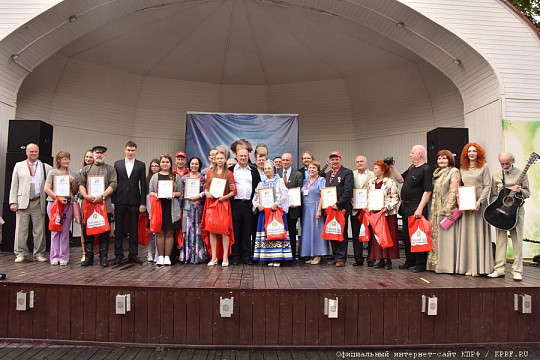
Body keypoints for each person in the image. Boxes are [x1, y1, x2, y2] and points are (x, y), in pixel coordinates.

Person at [390, 145, 432, 273]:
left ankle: (420, 264)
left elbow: (427, 191)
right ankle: (410, 261)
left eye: (412, 153)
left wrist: (419, 209)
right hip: (406, 206)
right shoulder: (412, 168)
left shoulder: (426, 169)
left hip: (416, 206)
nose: (410, 155)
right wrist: (392, 167)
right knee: (407, 236)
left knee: (418, 236)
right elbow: (400, 179)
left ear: (419, 154)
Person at [488, 152, 530, 281]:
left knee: (517, 241)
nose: (505, 166)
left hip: (516, 212)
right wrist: (497, 209)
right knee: (500, 241)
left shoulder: (521, 174)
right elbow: (493, 194)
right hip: (501, 212)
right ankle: (499, 269)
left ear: (513, 161)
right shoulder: (496, 175)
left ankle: (517, 271)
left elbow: (528, 193)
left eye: (507, 163)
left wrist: (520, 191)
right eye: (502, 163)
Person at [9, 143, 52, 263]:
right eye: (31, 151)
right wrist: (13, 202)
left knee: (39, 230)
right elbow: (14, 185)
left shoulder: (45, 167)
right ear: (26, 152)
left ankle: (38, 253)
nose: (33, 153)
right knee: (21, 230)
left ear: (38, 152)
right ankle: (20, 253)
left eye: (36, 151)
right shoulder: (19, 166)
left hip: (38, 201)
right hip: (23, 202)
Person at [456, 143, 492, 276]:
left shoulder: (484, 167)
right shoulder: (462, 169)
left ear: (479, 153)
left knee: (478, 233)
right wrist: (459, 198)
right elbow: (460, 186)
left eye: (474, 151)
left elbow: (487, 186)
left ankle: (480, 267)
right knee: (468, 235)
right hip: (466, 207)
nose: (471, 153)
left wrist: (479, 202)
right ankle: (468, 266)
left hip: (479, 206)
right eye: (469, 151)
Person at [78, 146, 118, 267]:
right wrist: (85, 195)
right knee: (87, 232)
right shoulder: (86, 169)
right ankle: (88, 257)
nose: (99, 155)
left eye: (102, 153)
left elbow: (113, 184)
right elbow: (81, 184)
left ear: (104, 155)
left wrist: (103, 195)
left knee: (104, 233)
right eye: (97, 153)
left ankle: (103, 257)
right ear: (93, 154)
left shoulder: (110, 169)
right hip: (89, 205)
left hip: (104, 204)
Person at [112, 141, 147, 265]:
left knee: (133, 229)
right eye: (128, 150)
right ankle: (118, 255)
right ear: (124, 150)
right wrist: (112, 201)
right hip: (119, 200)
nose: (130, 152)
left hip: (134, 201)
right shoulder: (117, 164)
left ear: (136, 150)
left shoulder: (141, 165)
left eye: (132, 150)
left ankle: (133, 254)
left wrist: (143, 203)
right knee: (119, 229)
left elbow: (143, 185)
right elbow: (114, 184)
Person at [252, 160, 293, 266]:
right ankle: (268, 257)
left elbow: (284, 195)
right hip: (265, 213)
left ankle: (277, 258)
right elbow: (255, 198)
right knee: (266, 233)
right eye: (265, 169)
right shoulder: (261, 183)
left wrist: (276, 204)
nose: (267, 170)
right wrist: (258, 205)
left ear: (274, 169)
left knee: (276, 232)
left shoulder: (279, 181)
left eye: (269, 168)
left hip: (276, 212)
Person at [427, 150, 461, 273]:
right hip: (435, 210)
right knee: (436, 238)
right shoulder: (436, 173)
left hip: (446, 211)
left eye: (444, 158)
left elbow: (453, 191)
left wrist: (447, 209)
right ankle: (435, 265)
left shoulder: (454, 172)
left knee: (446, 239)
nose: (441, 161)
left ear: (450, 160)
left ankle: (446, 266)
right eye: (439, 158)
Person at [44, 151, 78, 265]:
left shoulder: (72, 174)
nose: (66, 161)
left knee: (64, 231)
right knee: (55, 230)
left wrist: (73, 183)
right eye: (64, 159)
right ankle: (54, 257)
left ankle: (64, 257)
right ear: (58, 160)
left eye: (68, 158)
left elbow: (75, 191)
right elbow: (47, 188)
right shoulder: (52, 172)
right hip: (54, 204)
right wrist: (57, 197)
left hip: (68, 204)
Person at [148, 154, 183, 266]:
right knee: (159, 233)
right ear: (160, 163)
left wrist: (173, 194)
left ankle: (167, 257)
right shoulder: (155, 177)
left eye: (167, 162)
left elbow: (180, 193)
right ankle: (160, 257)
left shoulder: (175, 176)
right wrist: (156, 194)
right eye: (162, 162)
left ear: (170, 164)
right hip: (159, 208)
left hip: (172, 208)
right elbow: (151, 192)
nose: (165, 164)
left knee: (169, 233)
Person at [204, 151, 236, 266]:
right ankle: (213, 257)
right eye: (217, 158)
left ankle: (225, 257)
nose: (219, 160)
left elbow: (234, 191)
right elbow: (206, 188)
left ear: (225, 159)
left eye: (221, 158)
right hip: (212, 204)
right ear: (214, 159)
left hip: (223, 204)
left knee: (224, 231)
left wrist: (225, 197)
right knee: (212, 231)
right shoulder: (210, 173)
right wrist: (207, 193)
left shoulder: (229, 173)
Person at [229, 148, 261, 265]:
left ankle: (247, 256)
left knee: (247, 231)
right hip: (235, 204)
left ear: (248, 157)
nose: (243, 158)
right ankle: (235, 256)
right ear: (236, 156)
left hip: (248, 204)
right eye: (240, 156)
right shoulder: (230, 170)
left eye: (245, 156)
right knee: (235, 231)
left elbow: (258, 188)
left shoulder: (254, 171)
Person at [367, 161, 400, 270]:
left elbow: (395, 198)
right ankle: (380, 259)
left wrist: (387, 207)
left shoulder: (390, 182)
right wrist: (367, 207)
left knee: (388, 236)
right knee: (377, 237)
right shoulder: (371, 182)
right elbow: (367, 196)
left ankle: (388, 260)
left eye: (376, 169)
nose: (374, 170)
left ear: (383, 170)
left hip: (387, 214)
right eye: (374, 168)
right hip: (375, 214)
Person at [324, 151, 354, 267]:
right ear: (330, 161)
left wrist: (338, 204)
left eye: (336, 159)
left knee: (341, 232)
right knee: (332, 232)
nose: (334, 161)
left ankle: (341, 258)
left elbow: (347, 191)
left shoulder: (347, 173)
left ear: (340, 160)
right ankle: (335, 256)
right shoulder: (327, 174)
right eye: (332, 159)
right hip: (330, 209)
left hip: (341, 209)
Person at [299, 161, 329, 264]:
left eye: (314, 168)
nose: (311, 170)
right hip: (306, 209)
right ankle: (310, 254)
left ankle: (317, 255)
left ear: (318, 170)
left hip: (315, 207)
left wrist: (319, 209)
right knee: (307, 232)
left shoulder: (321, 180)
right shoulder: (305, 181)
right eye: (310, 168)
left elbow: (323, 196)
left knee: (317, 231)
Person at [180, 157, 206, 264]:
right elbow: (181, 194)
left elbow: (205, 192)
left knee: (198, 231)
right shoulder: (184, 178)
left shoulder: (203, 178)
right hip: (187, 207)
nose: (194, 165)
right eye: (192, 163)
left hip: (199, 208)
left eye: (196, 164)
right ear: (189, 165)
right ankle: (187, 255)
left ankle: (198, 255)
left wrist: (198, 196)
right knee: (187, 230)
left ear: (199, 165)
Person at [277, 153, 303, 260]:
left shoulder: (298, 175)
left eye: (287, 160)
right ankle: (279, 255)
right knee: (279, 233)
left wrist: (296, 201)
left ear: (291, 161)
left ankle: (291, 256)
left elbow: (299, 190)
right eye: (283, 160)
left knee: (292, 233)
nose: (285, 162)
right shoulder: (277, 173)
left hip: (292, 209)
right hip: (280, 210)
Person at [350, 155, 375, 266]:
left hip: (368, 210)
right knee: (356, 235)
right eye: (357, 162)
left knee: (370, 234)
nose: (359, 163)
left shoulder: (373, 175)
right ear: (355, 163)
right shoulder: (351, 174)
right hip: (355, 209)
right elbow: (349, 189)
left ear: (366, 163)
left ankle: (371, 258)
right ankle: (358, 259)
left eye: (362, 161)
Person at [78, 149, 94, 263]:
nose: (88, 159)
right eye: (86, 157)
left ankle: (93, 253)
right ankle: (85, 253)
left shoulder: (98, 172)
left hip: (96, 202)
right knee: (83, 228)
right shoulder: (80, 172)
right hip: (83, 202)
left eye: (90, 157)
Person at [145, 158, 160, 262]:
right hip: (148, 206)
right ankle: (149, 253)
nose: (154, 168)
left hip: (158, 206)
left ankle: (157, 254)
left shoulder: (162, 178)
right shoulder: (147, 179)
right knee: (149, 232)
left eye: (156, 166)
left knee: (158, 231)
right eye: (152, 166)